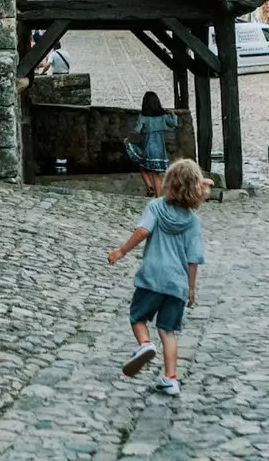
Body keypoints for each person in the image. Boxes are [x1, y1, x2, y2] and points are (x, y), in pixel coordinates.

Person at [108, 158, 209, 397]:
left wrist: (121, 250)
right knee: (168, 330)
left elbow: (143, 231)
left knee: (137, 317)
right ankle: (171, 379)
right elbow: (193, 258)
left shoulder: (155, 208)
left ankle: (144, 345)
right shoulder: (193, 222)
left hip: (152, 277)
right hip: (177, 283)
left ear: (168, 183)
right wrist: (191, 289)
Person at [125, 91, 177, 197]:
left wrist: (128, 139)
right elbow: (174, 123)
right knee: (156, 174)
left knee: (142, 167)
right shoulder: (163, 117)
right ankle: (158, 197)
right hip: (160, 150)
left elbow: (137, 131)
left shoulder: (143, 117)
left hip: (147, 149)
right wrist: (172, 113)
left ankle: (150, 188)